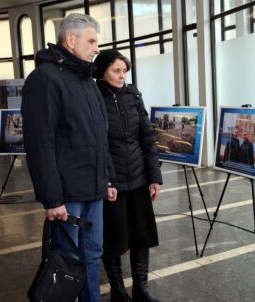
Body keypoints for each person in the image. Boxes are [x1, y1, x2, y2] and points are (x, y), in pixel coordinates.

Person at [21, 13, 117, 302]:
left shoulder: (87, 80)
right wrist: (52, 199)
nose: (96, 47)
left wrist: (107, 178)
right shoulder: (44, 79)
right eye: (91, 41)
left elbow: (100, 135)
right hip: (67, 194)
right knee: (63, 263)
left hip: (93, 189)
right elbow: (40, 144)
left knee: (92, 255)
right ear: (71, 40)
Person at [93, 49, 163, 302]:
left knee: (141, 235)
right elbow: (96, 144)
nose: (122, 75)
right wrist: (107, 181)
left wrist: (154, 177)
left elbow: (148, 137)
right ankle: (118, 289)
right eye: (116, 70)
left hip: (139, 177)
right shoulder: (94, 96)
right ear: (103, 71)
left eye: (124, 70)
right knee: (113, 237)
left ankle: (141, 288)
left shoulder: (133, 95)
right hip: (112, 179)